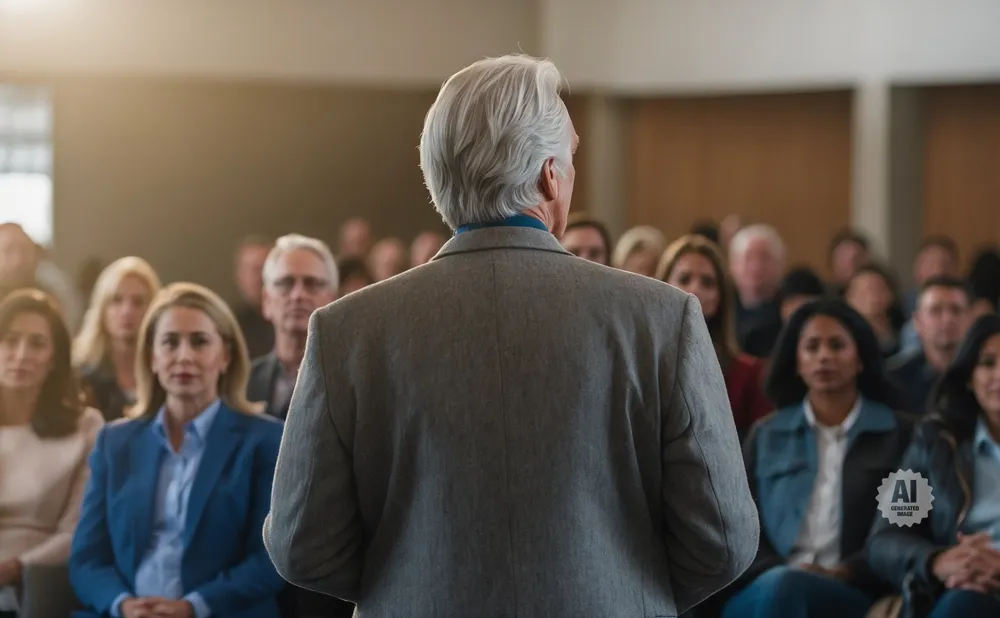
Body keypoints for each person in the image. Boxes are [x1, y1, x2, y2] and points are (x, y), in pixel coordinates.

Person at [264, 54, 758, 617]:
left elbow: (302, 544)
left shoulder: (344, 332)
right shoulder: (663, 320)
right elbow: (722, 538)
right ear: (550, 174)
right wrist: (621, 589)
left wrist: (414, 582)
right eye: (571, 159)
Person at [70, 283, 286, 618]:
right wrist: (124, 606)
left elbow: (270, 558)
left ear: (225, 355)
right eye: (170, 342)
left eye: (199, 342)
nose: (184, 356)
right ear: (153, 358)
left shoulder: (266, 440)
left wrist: (192, 607)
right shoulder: (115, 442)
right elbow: (87, 559)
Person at [720, 299, 911, 618]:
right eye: (811, 347)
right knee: (781, 589)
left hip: (853, 591)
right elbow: (740, 527)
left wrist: (848, 571)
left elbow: (907, 523)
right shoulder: (766, 435)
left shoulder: (902, 434)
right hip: (770, 584)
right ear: (796, 361)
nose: (824, 356)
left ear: (860, 358)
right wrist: (780, 569)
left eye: (837, 345)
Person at [868, 314, 1000, 618]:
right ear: (968, 376)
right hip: (960, 591)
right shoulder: (935, 441)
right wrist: (938, 561)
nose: (999, 375)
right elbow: (885, 539)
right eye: (987, 363)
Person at [0, 291, 103, 615]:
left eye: (37, 344)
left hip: (40, 584)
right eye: (10, 340)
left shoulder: (85, 425)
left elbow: (77, 530)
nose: (21, 354)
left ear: (54, 357)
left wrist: (15, 567)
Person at [658, 234, 771, 439]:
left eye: (708, 282)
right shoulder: (642, 366)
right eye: (684, 279)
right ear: (663, 286)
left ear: (721, 297)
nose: (694, 290)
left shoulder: (749, 375)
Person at [75, 257, 162, 421]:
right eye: (116, 300)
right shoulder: (81, 380)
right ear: (102, 310)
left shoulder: (167, 374)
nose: (127, 311)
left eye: (137, 302)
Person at [886, 276, 972, 414]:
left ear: (970, 319)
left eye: (956, 310)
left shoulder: (987, 375)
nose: (947, 319)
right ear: (918, 321)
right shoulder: (893, 380)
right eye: (936, 310)